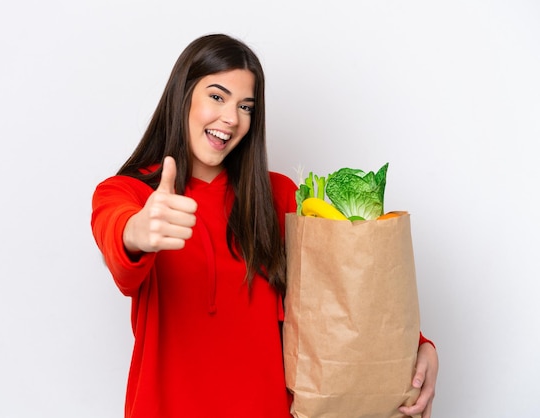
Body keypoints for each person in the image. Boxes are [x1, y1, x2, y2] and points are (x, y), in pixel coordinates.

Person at [91, 33, 438, 418]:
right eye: (217, 97)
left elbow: (341, 292)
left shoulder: (280, 196)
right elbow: (118, 240)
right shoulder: (128, 193)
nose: (231, 118)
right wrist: (138, 232)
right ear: (183, 95)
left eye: (246, 106)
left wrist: (418, 345)